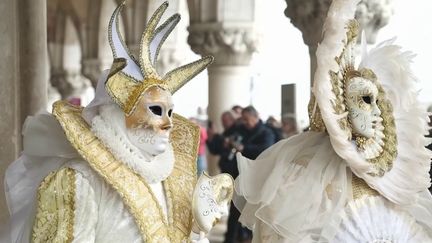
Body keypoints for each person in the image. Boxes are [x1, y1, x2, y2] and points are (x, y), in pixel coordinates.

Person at [2, 2, 226, 242]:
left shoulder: (171, 181)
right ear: (120, 114)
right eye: (155, 110)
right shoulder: (78, 182)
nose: (168, 124)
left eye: (170, 112)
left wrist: (196, 229)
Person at [234, 0, 432, 242]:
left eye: (375, 102)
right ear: (344, 105)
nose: (373, 112)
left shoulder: (385, 179)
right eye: (364, 100)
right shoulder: (306, 168)